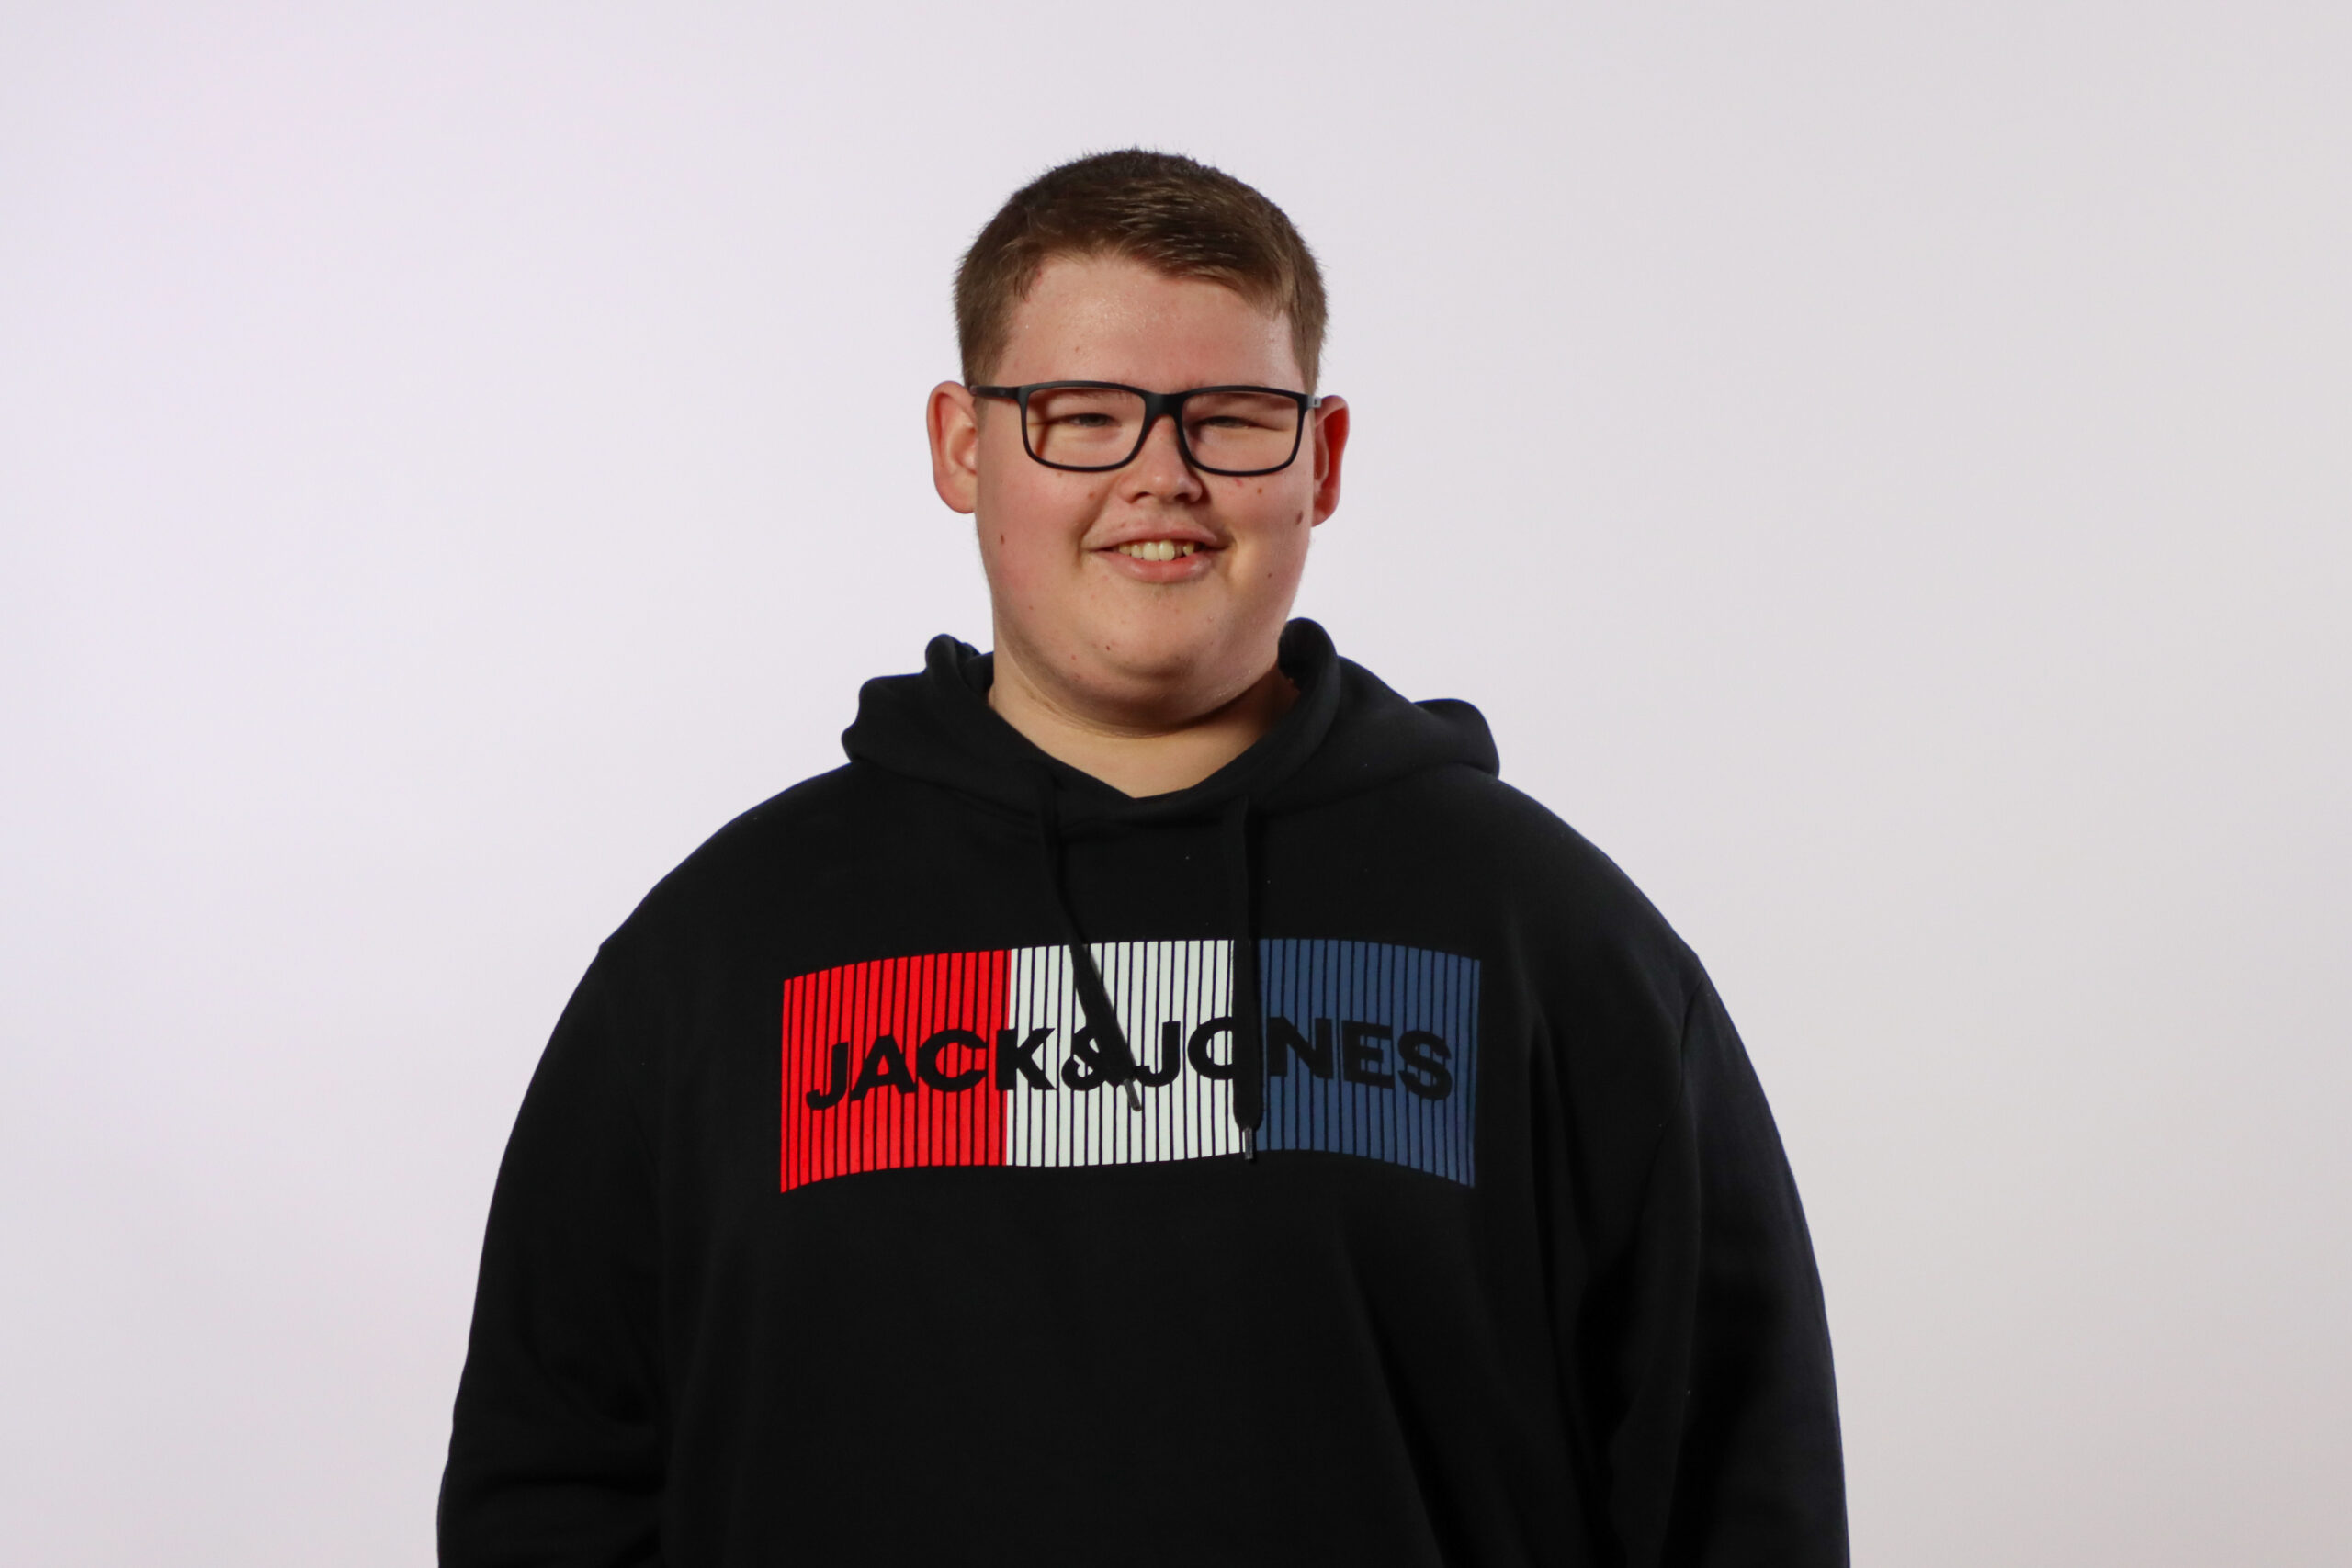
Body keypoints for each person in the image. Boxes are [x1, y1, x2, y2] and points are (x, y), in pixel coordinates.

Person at [439, 149, 1847, 1566]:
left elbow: (1739, 1498)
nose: (1160, 477)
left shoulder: (1548, 949)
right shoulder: (719, 962)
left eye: (1230, 420)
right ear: (963, 445)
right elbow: (551, 1487)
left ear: (1321, 461)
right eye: (1086, 417)